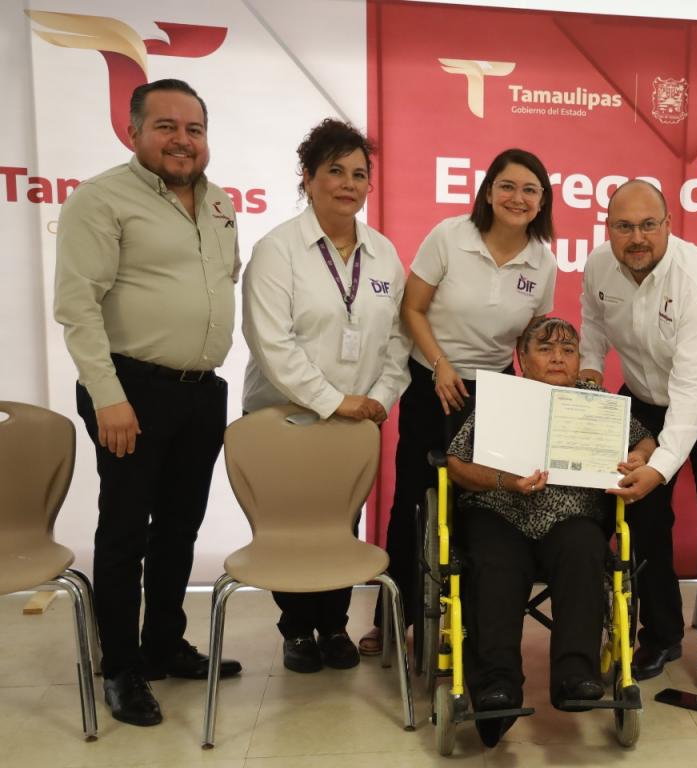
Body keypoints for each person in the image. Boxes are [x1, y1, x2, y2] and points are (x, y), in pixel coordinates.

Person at [53, 79, 242, 727]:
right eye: (166, 126)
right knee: (126, 531)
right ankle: (122, 667)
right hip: (128, 390)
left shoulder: (220, 202)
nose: (182, 140)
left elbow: (220, 280)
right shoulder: (100, 199)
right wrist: (108, 396)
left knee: (180, 528)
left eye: (194, 128)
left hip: (201, 392)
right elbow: (77, 307)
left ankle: (163, 641)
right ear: (133, 132)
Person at [366, 149, 557, 655]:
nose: (517, 197)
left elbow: (532, 337)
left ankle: (471, 622)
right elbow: (412, 308)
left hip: (495, 390)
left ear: (542, 202)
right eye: (507, 186)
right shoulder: (450, 236)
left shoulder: (543, 262)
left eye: (530, 190)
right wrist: (440, 364)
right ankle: (393, 619)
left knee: (483, 507)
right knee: (414, 501)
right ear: (489, 191)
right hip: (434, 381)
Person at [580, 180, 697, 717]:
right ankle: (660, 635)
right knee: (644, 518)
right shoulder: (599, 267)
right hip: (643, 398)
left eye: (648, 225)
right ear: (608, 228)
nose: (637, 237)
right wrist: (590, 376)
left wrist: (659, 465)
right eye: (624, 226)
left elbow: (694, 390)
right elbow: (593, 325)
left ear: (668, 225)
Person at [241, 119, 410, 673]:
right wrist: (334, 401)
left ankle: (334, 625)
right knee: (287, 526)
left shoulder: (383, 254)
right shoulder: (277, 250)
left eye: (359, 174)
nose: (348, 184)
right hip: (282, 416)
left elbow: (399, 339)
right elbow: (271, 343)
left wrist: (379, 397)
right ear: (308, 178)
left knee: (342, 523)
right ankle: (295, 629)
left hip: (357, 418)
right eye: (335, 171)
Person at [446, 317, 655, 746]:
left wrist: (638, 456)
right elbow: (457, 463)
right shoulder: (502, 398)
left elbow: (646, 440)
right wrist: (506, 481)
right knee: (494, 562)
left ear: (579, 361)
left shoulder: (596, 401)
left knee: (585, 549)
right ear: (522, 359)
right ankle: (496, 686)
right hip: (500, 511)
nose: (558, 357)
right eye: (545, 349)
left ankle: (575, 676)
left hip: (571, 518)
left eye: (568, 350)